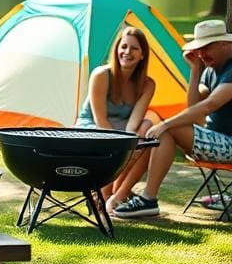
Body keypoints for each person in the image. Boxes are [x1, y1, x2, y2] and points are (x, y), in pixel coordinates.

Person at [114, 19, 232, 219]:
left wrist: (165, 124)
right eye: (198, 48)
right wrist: (196, 69)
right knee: (165, 129)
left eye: (206, 47)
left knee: (167, 128)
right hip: (216, 139)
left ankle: (148, 199)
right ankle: (146, 198)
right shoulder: (210, 68)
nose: (201, 54)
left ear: (224, 44)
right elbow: (195, 106)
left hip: (229, 143)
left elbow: (209, 105)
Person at [75, 26, 156, 212]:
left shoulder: (147, 84)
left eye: (134, 48)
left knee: (148, 130)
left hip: (122, 129)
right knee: (122, 144)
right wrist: (123, 145)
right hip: (94, 126)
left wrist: (130, 144)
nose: (127, 52)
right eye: (124, 46)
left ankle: (119, 194)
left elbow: (133, 123)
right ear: (117, 49)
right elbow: (100, 119)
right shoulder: (101, 75)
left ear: (142, 54)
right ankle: (106, 196)